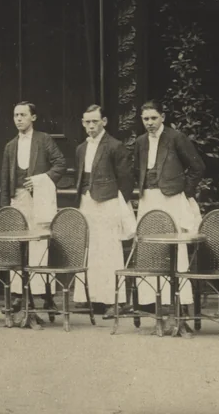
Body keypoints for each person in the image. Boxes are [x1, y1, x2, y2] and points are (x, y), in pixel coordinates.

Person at [133, 100, 205, 313]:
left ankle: (179, 302)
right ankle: (152, 302)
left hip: (171, 198)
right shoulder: (140, 142)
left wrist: (184, 192)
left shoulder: (176, 138)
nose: (150, 123)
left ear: (163, 117)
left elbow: (197, 167)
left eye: (154, 118)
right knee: (150, 247)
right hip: (148, 199)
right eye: (145, 119)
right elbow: (138, 169)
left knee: (175, 246)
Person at [0, 102, 65, 302]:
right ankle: (19, 293)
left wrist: (41, 180)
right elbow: (4, 176)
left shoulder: (44, 140)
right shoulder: (11, 145)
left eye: (23, 115)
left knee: (40, 243)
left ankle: (45, 293)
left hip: (39, 199)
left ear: (33, 118)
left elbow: (60, 163)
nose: (18, 119)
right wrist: (5, 207)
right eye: (16, 115)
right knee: (18, 244)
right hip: (18, 199)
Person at [73, 105, 134, 316]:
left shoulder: (115, 146)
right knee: (92, 249)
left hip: (108, 203)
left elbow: (126, 181)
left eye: (95, 121)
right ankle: (94, 298)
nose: (91, 126)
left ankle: (114, 301)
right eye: (87, 122)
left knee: (110, 251)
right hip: (88, 201)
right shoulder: (81, 148)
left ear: (104, 122)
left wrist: (118, 206)